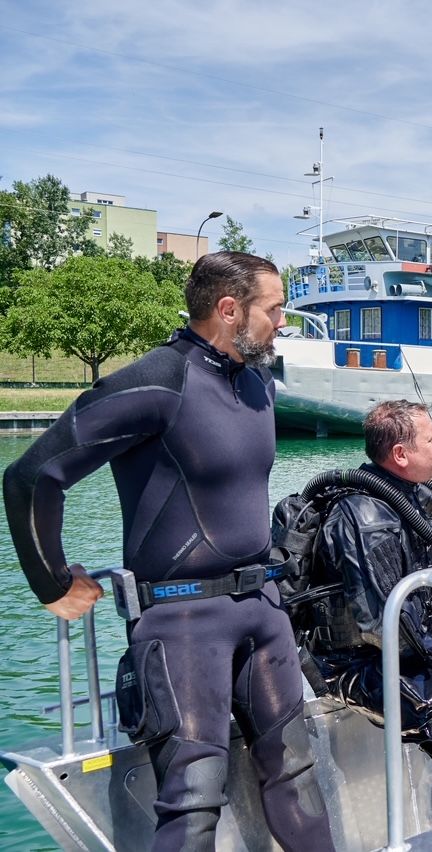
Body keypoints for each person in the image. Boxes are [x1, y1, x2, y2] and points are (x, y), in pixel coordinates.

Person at [3, 252, 335, 851]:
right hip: (183, 625)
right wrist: (51, 582)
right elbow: (33, 475)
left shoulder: (257, 380)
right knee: (193, 800)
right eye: (275, 307)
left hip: (263, 610)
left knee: (297, 778)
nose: (284, 321)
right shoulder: (157, 380)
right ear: (228, 309)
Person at [303, 400, 432, 814]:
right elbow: (380, 622)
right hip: (355, 664)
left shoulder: (413, 501)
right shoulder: (362, 515)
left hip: (409, 650)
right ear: (401, 455)